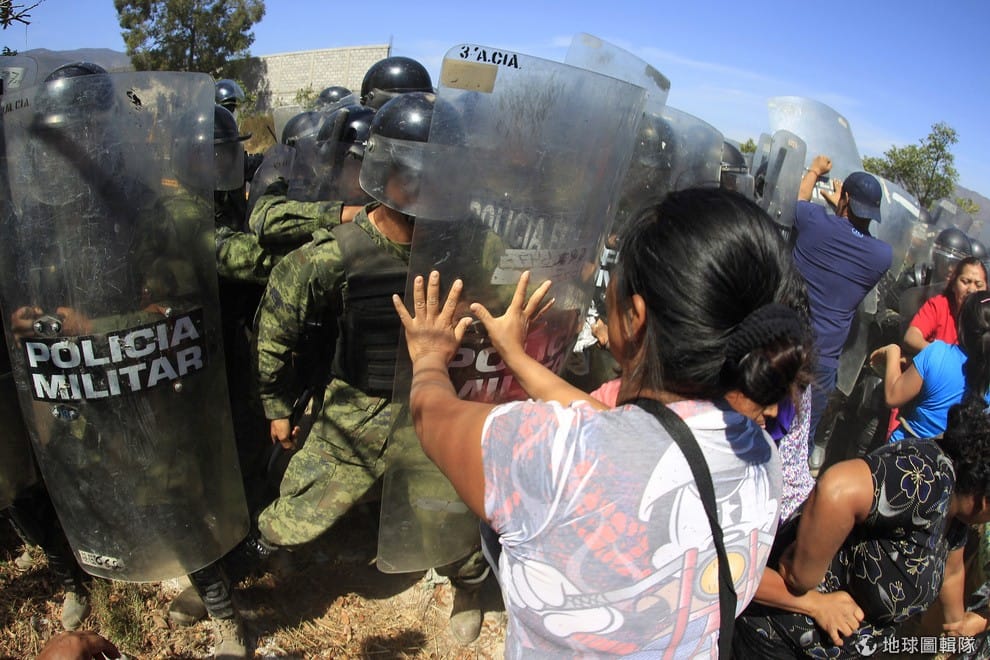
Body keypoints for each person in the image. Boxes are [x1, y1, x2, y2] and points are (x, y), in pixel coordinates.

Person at [394, 188, 814, 656]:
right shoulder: (759, 456)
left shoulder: (551, 457)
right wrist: (516, 356)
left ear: (635, 318)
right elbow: (624, 434)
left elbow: (432, 417)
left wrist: (429, 358)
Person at [240, 92, 488, 643]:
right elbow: (276, 334)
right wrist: (277, 409)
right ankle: (241, 573)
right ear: (390, 175)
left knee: (447, 517)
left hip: (434, 403)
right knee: (292, 513)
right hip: (355, 412)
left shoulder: (468, 245)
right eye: (421, 176)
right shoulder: (332, 255)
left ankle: (470, 587)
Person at [733, 396, 990, 657]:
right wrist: (803, 580)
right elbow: (837, 488)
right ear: (984, 501)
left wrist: (957, 630)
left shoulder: (958, 511)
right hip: (782, 640)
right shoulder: (925, 480)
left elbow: (952, 571)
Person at [792, 155, 893, 469]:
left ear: (845, 198)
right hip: (823, 360)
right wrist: (843, 209)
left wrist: (815, 170)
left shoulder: (814, 222)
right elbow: (853, 238)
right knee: (800, 439)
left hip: (783, 342)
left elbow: (799, 198)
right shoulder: (881, 256)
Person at [871, 291, 990, 442]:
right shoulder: (984, 375)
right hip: (949, 455)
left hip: (907, 449)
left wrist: (892, 352)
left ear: (961, 324)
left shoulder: (937, 353)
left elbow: (892, 397)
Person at [904, 256, 987, 353]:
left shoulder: (987, 316)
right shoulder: (939, 305)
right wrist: (942, 355)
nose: (971, 290)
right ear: (953, 284)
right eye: (965, 282)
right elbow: (911, 337)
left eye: (978, 285)